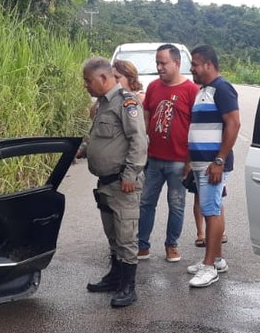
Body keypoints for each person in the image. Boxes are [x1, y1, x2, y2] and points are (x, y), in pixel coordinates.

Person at [76, 58, 149, 307]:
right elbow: (101, 138)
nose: (86, 85)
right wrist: (83, 149)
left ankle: (128, 287)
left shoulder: (127, 103)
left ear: (104, 79)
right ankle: (115, 277)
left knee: (126, 236)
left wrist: (130, 175)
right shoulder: (102, 105)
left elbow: (139, 142)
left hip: (122, 183)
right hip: (105, 183)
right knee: (113, 235)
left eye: (88, 80)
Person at [137, 44, 198, 263]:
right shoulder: (153, 87)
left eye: (163, 63)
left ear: (177, 63)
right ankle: (142, 245)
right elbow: (146, 116)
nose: (159, 67)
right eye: (157, 63)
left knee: (176, 205)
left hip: (178, 161)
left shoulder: (191, 90)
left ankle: (171, 245)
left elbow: (195, 128)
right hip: (153, 159)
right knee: (145, 203)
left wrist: (190, 160)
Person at [185, 44, 239, 288]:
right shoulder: (203, 90)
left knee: (211, 211)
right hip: (200, 164)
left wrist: (219, 160)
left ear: (208, 64)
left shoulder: (222, 89)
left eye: (195, 64)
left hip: (211, 165)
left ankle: (209, 268)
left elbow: (234, 124)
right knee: (211, 208)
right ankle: (216, 259)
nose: (192, 69)